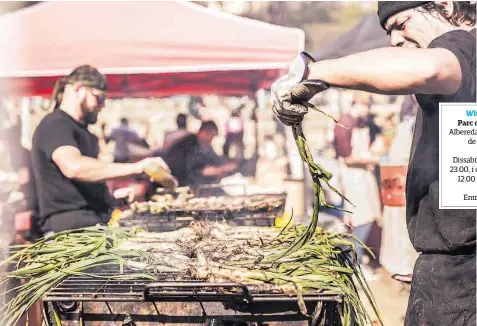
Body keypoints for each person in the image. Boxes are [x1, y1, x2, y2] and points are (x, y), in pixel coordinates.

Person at [271, 2, 476, 325]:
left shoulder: (461, 46)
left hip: (462, 285)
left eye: (402, 24)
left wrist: (315, 72)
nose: (394, 40)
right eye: (388, 31)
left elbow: (428, 69)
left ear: (445, 6)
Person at [31, 65, 170, 235]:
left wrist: (111, 199)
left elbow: (81, 185)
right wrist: (139, 167)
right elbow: (74, 167)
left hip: (90, 225)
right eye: (100, 98)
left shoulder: (82, 131)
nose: (102, 106)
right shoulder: (56, 125)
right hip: (69, 232)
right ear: (79, 90)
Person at [163, 120, 237, 194]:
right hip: (179, 184)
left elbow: (213, 159)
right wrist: (221, 169)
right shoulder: (190, 143)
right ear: (203, 132)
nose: (210, 140)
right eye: (210, 137)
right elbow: (196, 171)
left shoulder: (202, 144)